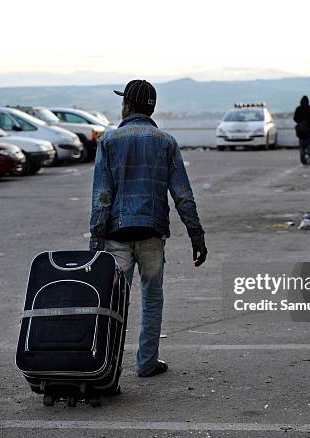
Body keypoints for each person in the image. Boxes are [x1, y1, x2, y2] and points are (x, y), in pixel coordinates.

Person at [89, 79, 208, 378]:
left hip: (116, 236)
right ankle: (146, 363)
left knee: (114, 303)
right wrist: (197, 236)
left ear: (127, 105)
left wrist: (96, 242)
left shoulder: (109, 141)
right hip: (152, 235)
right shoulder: (165, 142)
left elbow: (102, 197)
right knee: (152, 299)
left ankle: (107, 367)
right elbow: (183, 195)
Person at [294, 95, 310, 165]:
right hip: (308, 130)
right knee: (309, 144)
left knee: (301, 145)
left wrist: (300, 122)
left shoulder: (298, 108)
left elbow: (295, 119)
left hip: (300, 131)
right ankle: (307, 154)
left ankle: (303, 159)